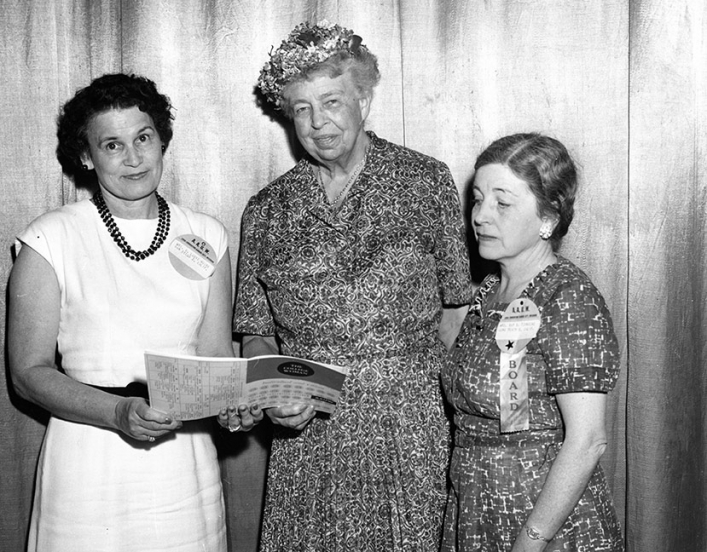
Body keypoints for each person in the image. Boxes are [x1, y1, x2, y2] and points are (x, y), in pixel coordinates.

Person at [234, 20, 472, 551]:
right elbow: (257, 336)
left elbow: (457, 315)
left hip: (412, 427)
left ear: (363, 98)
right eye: (301, 108)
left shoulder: (425, 182)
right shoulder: (267, 210)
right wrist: (275, 394)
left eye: (332, 101)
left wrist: (464, 423)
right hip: (310, 433)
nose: (318, 123)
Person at [8, 73, 261, 552]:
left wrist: (234, 406)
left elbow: (212, 355)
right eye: (112, 144)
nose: (134, 157)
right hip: (89, 460)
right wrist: (117, 412)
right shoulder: (50, 238)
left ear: (161, 138)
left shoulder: (206, 234)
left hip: (182, 464)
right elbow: (26, 373)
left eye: (143, 137)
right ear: (86, 156)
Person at [441, 133, 624, 551]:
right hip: (476, 512)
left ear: (548, 218)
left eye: (502, 203)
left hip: (545, 525)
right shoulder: (489, 292)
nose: (481, 216)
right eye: (478, 198)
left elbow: (588, 439)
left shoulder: (568, 296)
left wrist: (531, 541)